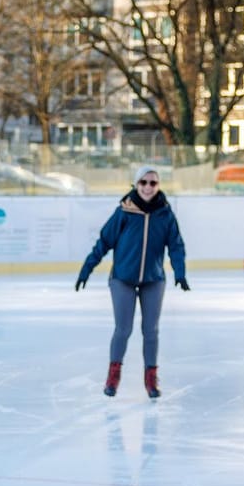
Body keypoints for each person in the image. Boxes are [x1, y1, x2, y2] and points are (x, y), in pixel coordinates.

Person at [75, 164, 187, 400]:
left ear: (158, 186)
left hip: (153, 279)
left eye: (153, 183)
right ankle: (113, 375)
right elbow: (104, 242)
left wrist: (180, 272)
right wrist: (87, 269)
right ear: (136, 185)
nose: (148, 187)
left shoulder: (165, 214)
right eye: (143, 182)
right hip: (122, 279)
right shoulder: (124, 212)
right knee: (123, 329)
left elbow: (176, 245)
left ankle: (150, 378)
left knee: (151, 330)